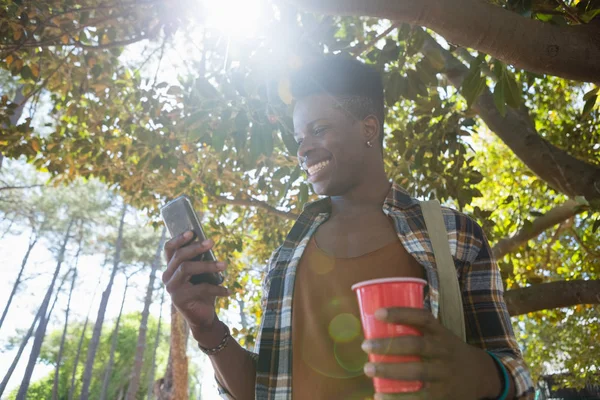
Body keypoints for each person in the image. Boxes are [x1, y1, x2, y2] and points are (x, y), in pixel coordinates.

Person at [162, 57, 535, 400]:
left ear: (368, 127)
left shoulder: (454, 233)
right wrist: (206, 327)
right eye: (298, 139)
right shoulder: (286, 258)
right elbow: (263, 388)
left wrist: (477, 372)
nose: (303, 150)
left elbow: (516, 376)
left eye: (318, 130)